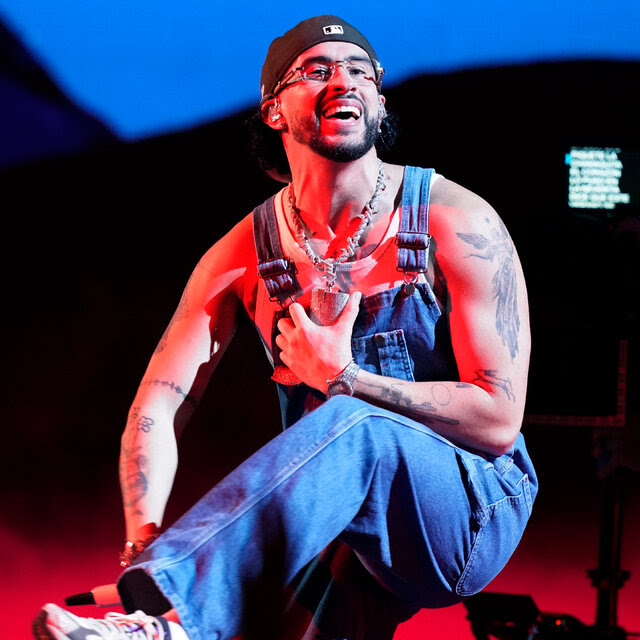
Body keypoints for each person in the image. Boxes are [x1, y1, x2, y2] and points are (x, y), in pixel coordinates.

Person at [33, 15, 537, 640]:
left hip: (469, 510)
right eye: (317, 71)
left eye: (359, 72)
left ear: (379, 102)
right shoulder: (245, 253)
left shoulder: (456, 222)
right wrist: (141, 541)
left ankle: (167, 612)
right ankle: (161, 620)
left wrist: (343, 376)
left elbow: (498, 419)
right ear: (274, 110)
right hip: (343, 526)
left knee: (355, 425)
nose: (343, 82)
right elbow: (156, 411)